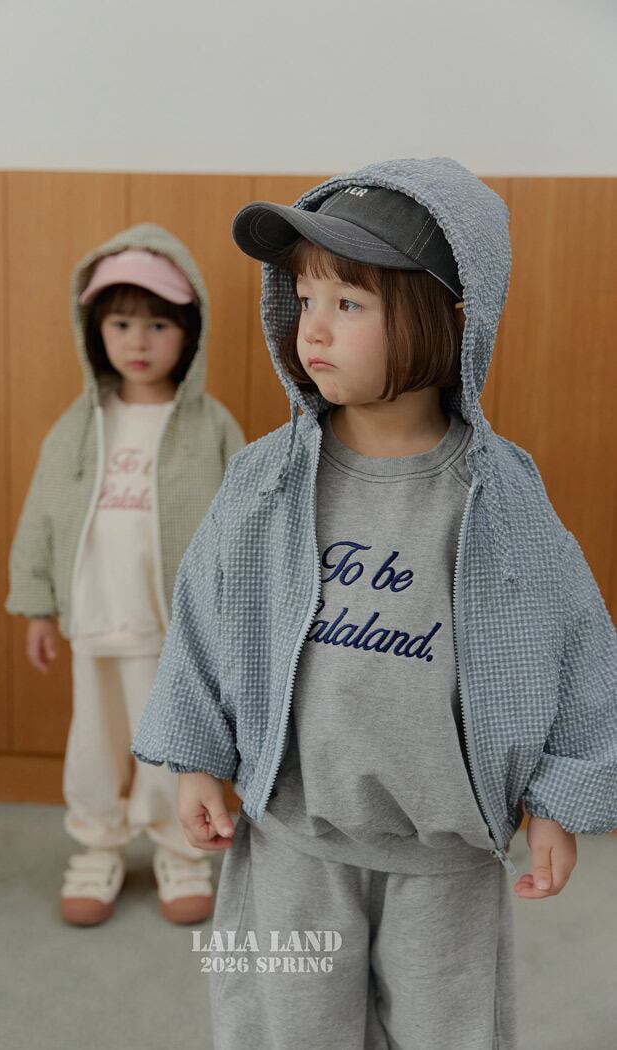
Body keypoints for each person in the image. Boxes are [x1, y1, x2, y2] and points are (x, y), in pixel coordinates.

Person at [131, 158, 617, 1048]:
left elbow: (580, 645)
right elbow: (205, 615)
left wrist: (559, 797)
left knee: (447, 1033)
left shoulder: (498, 496)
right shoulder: (267, 480)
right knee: (289, 1030)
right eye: (304, 298)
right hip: (292, 840)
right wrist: (195, 756)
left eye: (348, 304)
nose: (312, 329)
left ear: (445, 319)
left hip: (447, 857)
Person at [5, 224, 245, 927]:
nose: (138, 341)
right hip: (94, 618)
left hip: (173, 630)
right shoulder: (80, 425)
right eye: (120, 323)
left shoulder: (210, 427)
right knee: (95, 741)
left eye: (158, 324)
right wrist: (38, 605)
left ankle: (180, 848)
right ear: (95, 331)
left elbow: (243, 526)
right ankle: (98, 845)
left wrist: (235, 619)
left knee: (177, 747)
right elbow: (42, 513)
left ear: (190, 332)